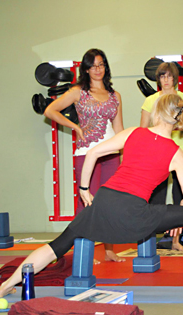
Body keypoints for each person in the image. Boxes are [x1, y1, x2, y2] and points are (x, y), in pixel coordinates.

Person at [0, 94, 183, 298]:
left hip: (104, 201)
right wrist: (180, 220)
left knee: (58, 245)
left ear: (156, 113)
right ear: (178, 120)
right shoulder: (177, 154)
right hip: (132, 213)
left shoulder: (133, 133)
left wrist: (84, 189)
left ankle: (7, 283)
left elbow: (93, 152)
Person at [44, 49, 124, 263]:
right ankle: (83, 250)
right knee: (86, 202)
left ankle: (108, 250)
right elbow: (50, 110)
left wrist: (124, 157)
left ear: (105, 67)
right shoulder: (78, 91)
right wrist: (75, 127)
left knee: (108, 203)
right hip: (86, 152)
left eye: (101, 65)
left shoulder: (115, 96)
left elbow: (119, 129)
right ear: (86, 69)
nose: (97, 69)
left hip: (110, 155)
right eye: (93, 65)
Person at [140, 62, 183, 252]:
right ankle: (150, 241)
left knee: (181, 198)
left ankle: (176, 241)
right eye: (162, 77)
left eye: (169, 76)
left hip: (182, 152)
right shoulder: (151, 100)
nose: (166, 80)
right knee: (156, 198)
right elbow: (143, 131)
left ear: (175, 79)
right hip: (158, 153)